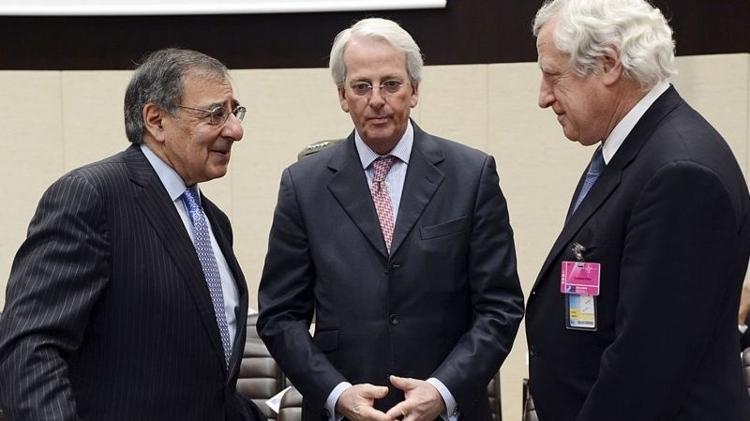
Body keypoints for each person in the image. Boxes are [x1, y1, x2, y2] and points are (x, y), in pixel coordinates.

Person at [257, 17, 524, 421]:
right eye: (361, 86)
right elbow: (280, 316)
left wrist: (441, 390)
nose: (376, 99)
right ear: (343, 96)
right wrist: (336, 394)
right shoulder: (303, 185)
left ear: (414, 90)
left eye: (391, 84)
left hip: (447, 411)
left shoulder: (470, 174)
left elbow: (500, 307)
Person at [0, 48, 266, 421]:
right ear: (156, 120)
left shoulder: (213, 221)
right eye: (214, 113)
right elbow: (30, 348)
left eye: (234, 112)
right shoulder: (92, 196)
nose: (235, 130)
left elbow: (204, 379)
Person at [525, 1, 750, 420]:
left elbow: (645, 366)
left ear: (609, 64)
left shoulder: (680, 172)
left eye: (553, 74)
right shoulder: (636, 152)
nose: (543, 96)